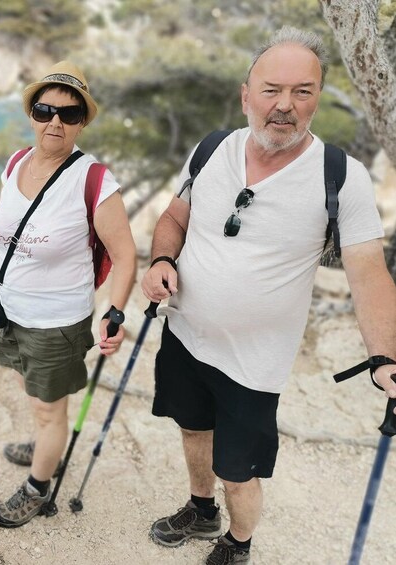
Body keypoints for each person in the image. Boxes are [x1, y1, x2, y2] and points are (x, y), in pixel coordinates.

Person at [140, 26, 396, 564]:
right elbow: (174, 216)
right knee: (192, 431)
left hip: (253, 367)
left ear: (317, 98)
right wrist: (162, 258)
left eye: (302, 91)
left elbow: (368, 273)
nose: (285, 105)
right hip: (185, 335)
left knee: (239, 472)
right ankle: (200, 508)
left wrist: (387, 356)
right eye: (271, 89)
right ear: (245, 94)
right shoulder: (211, 148)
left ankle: (238, 543)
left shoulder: (341, 179)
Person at [0, 61, 137, 528]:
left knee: (50, 409)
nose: (55, 123)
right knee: (36, 393)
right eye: (46, 111)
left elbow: (126, 257)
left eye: (69, 114)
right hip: (13, 313)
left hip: (57, 323)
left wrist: (116, 314)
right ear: (32, 113)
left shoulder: (94, 182)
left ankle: (38, 485)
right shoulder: (16, 163)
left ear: (82, 121)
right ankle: (49, 440)